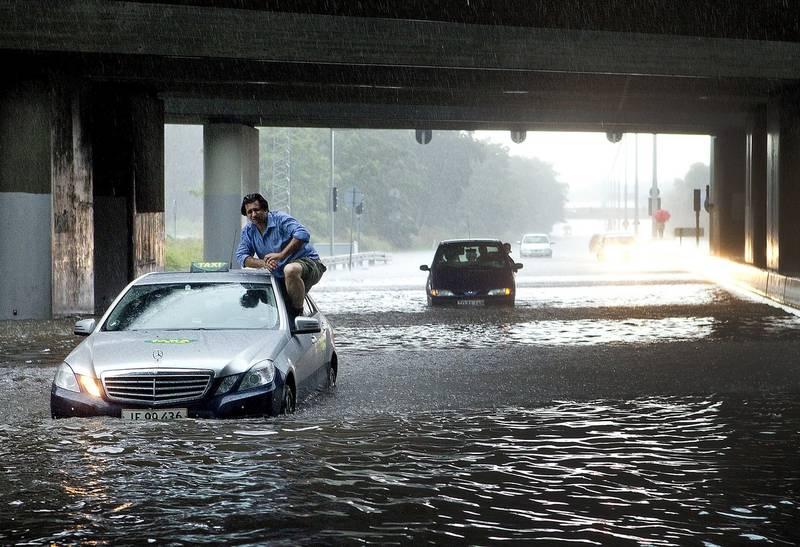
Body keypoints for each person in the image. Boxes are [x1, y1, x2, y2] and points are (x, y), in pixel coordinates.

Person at [235, 193, 326, 318]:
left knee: (290, 269)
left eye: (256, 210)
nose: (253, 214)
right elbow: (241, 256)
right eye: (249, 212)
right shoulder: (248, 231)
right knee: (250, 288)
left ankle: (297, 314)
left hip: (308, 263)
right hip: (279, 276)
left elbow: (303, 234)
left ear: (265, 209)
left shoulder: (280, 219)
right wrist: (263, 263)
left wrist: (281, 255)